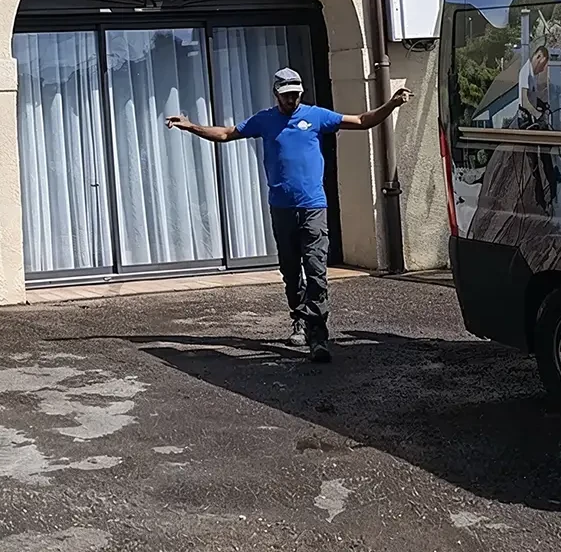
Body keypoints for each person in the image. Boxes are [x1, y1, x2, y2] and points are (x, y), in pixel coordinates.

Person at [166, 68, 407, 362]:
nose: (291, 99)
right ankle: (300, 319)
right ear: (276, 94)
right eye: (286, 95)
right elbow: (227, 133)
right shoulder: (265, 120)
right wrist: (191, 126)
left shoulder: (316, 116)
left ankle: (318, 337)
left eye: (295, 94)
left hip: (313, 207)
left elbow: (360, 120)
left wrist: (391, 105)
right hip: (281, 208)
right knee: (291, 272)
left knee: (316, 270)